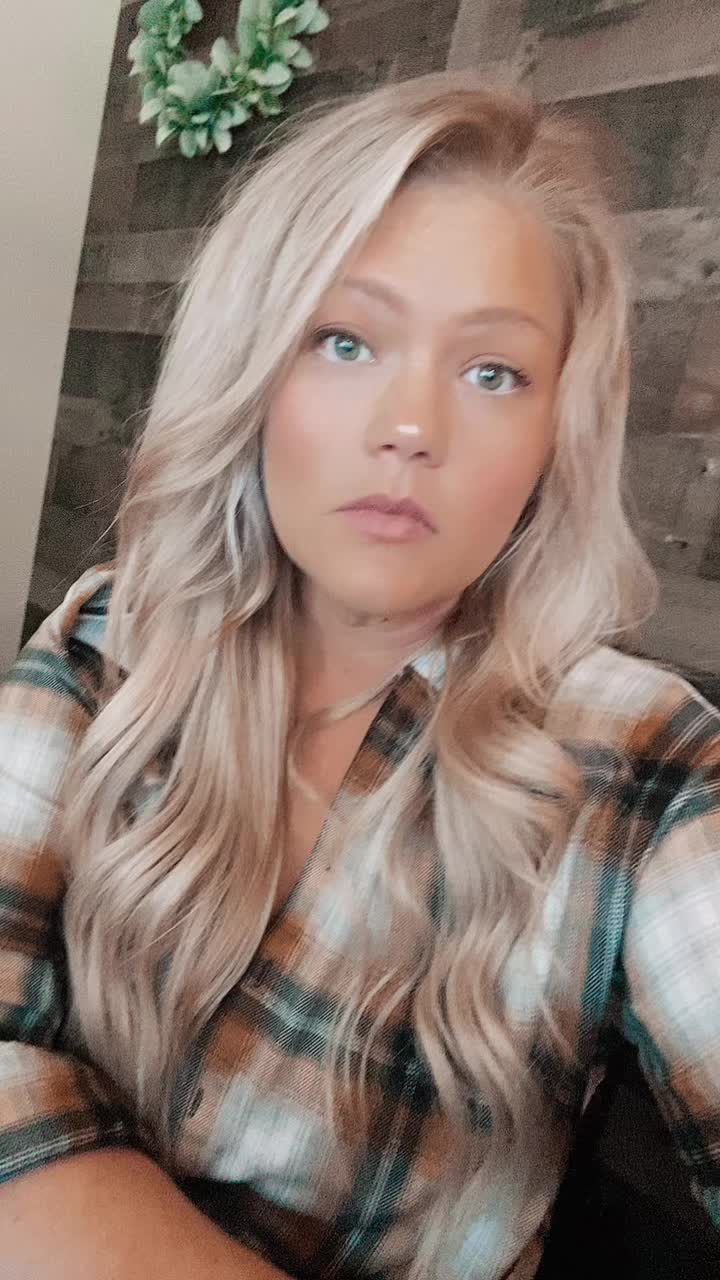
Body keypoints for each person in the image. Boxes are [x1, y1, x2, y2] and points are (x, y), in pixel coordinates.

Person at [0, 70, 718, 1280]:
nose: (412, 424)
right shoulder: (107, 643)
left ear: (557, 435)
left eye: (493, 372)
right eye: (344, 341)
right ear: (251, 372)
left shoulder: (648, 763)